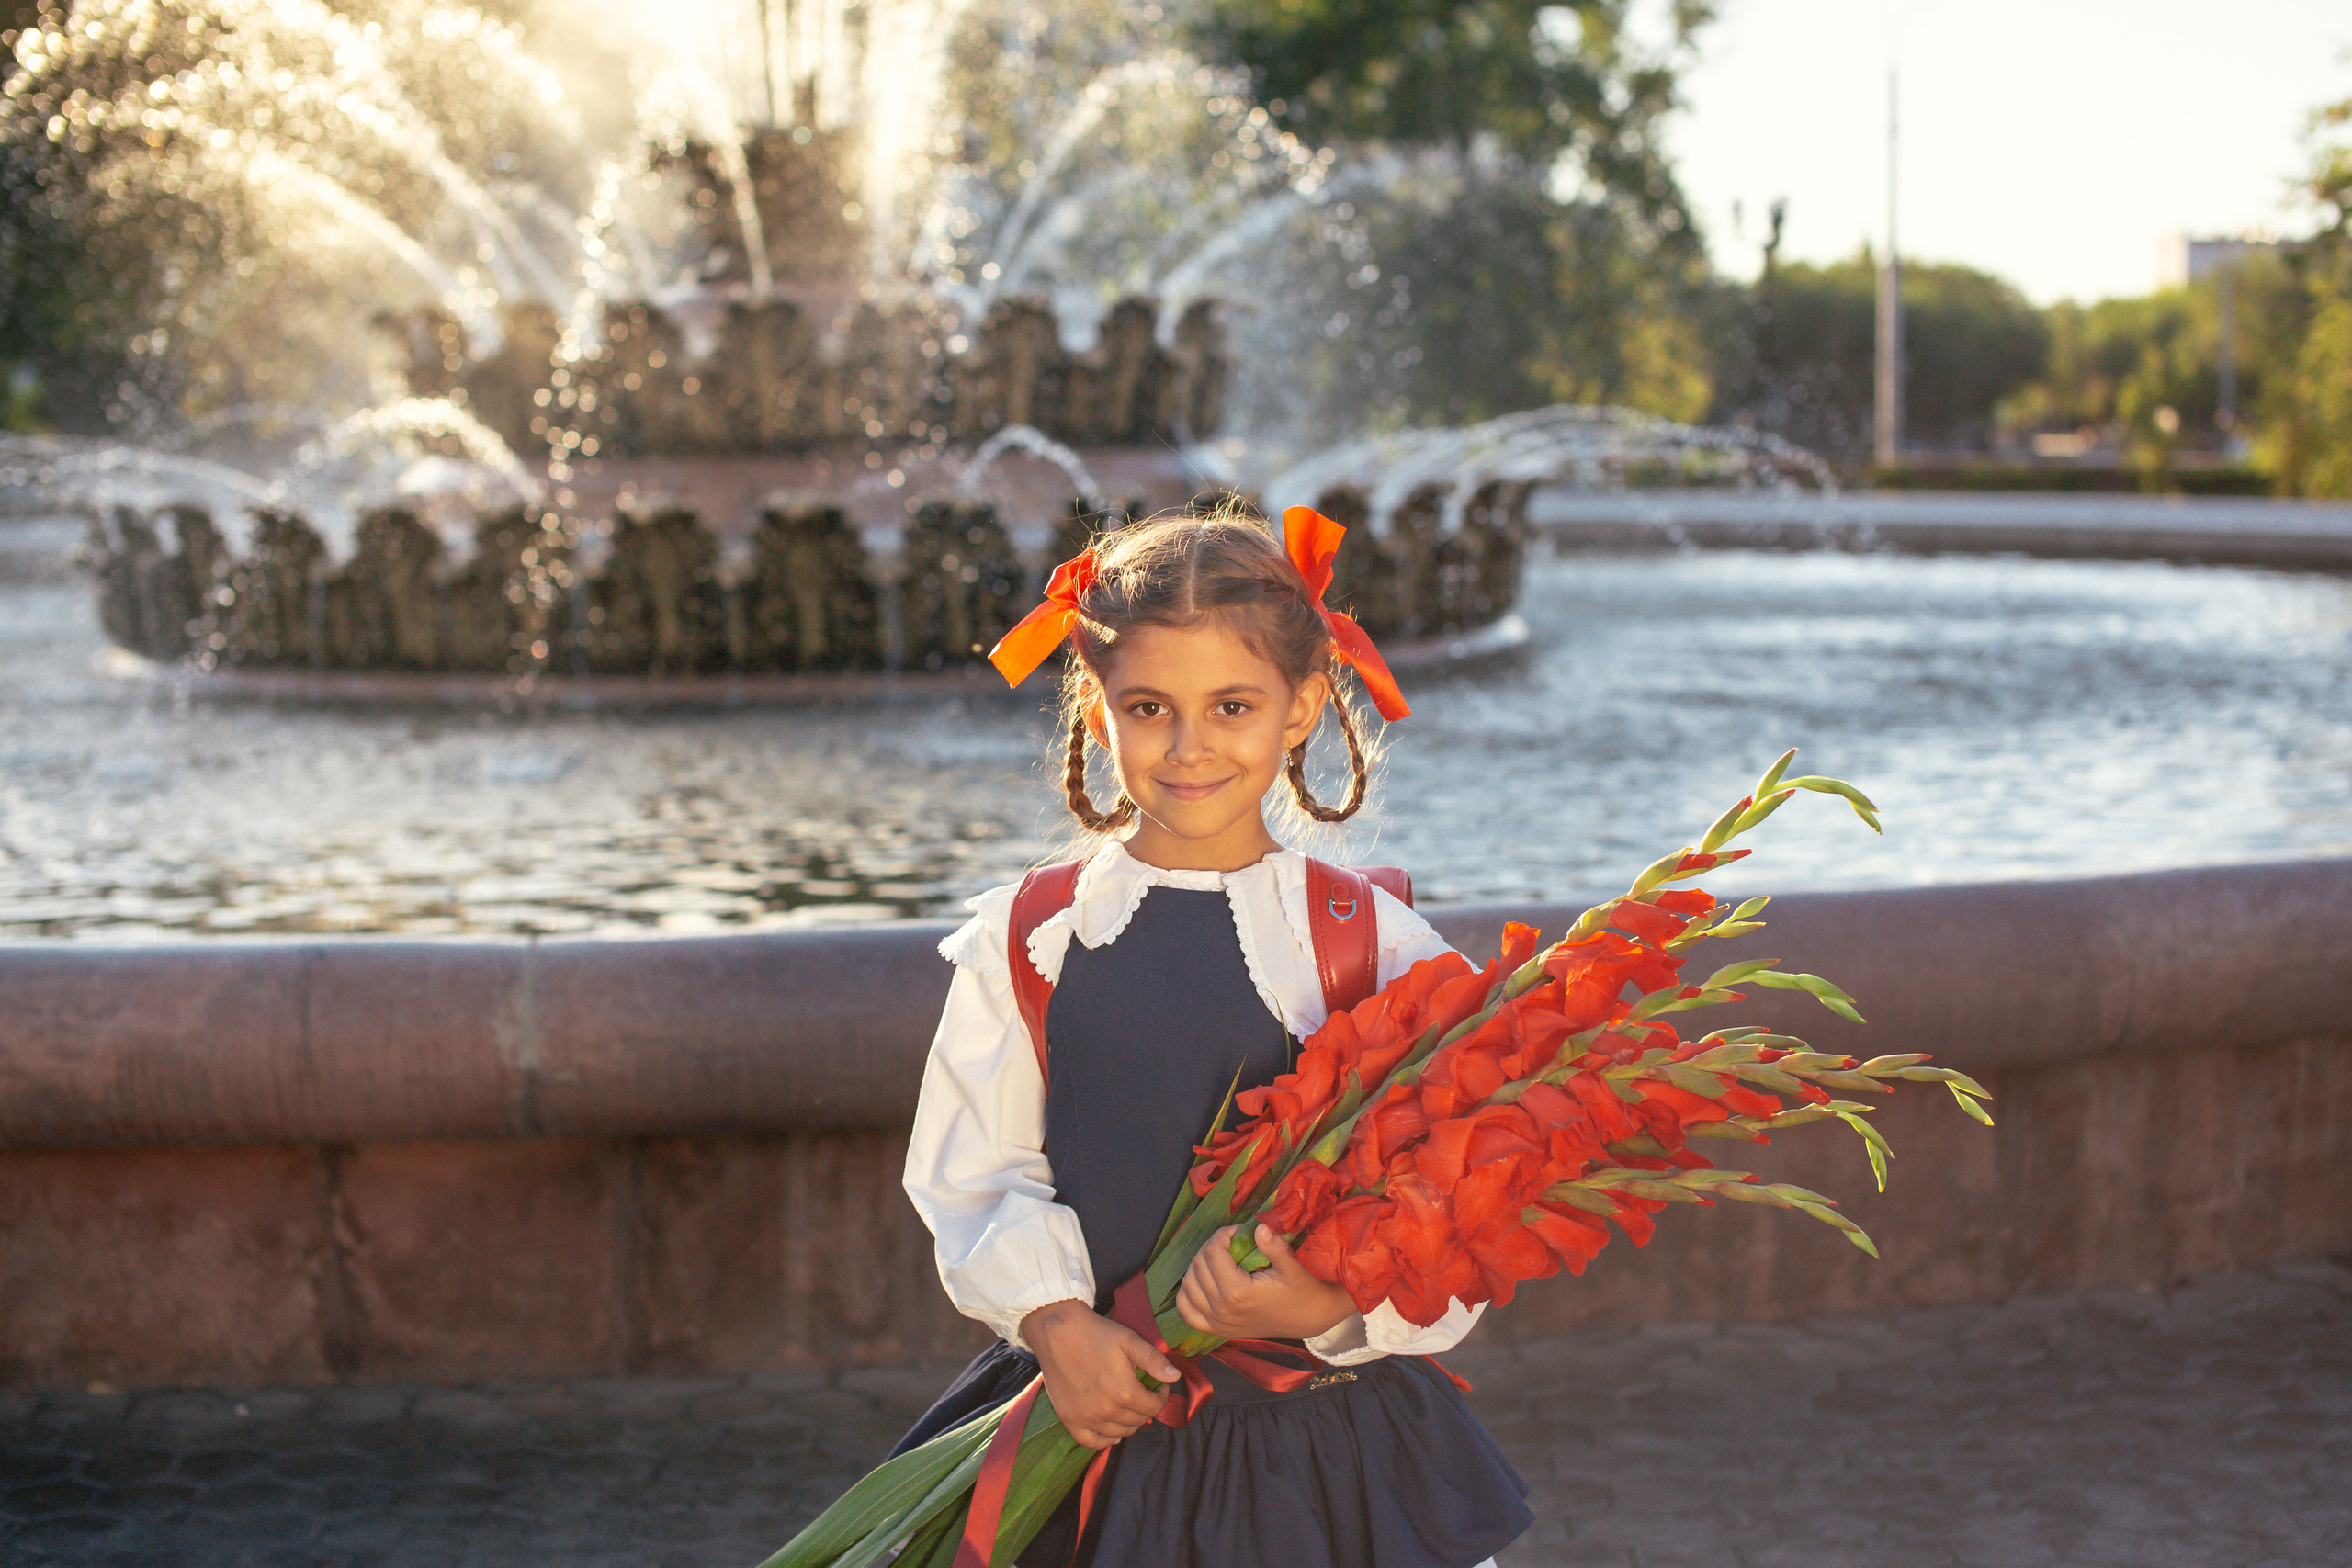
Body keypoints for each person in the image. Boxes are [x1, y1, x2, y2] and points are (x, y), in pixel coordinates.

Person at [895, 505, 1532, 1567]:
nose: (1189, 746)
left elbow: (1456, 1207)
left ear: (1301, 707)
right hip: (1090, 1426)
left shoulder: (1372, 944)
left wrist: (1323, 1302)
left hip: (1317, 1455)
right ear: (1097, 709)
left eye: (1231, 705)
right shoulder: (1026, 940)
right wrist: (1055, 1324)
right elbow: (969, 1174)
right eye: (1149, 707)